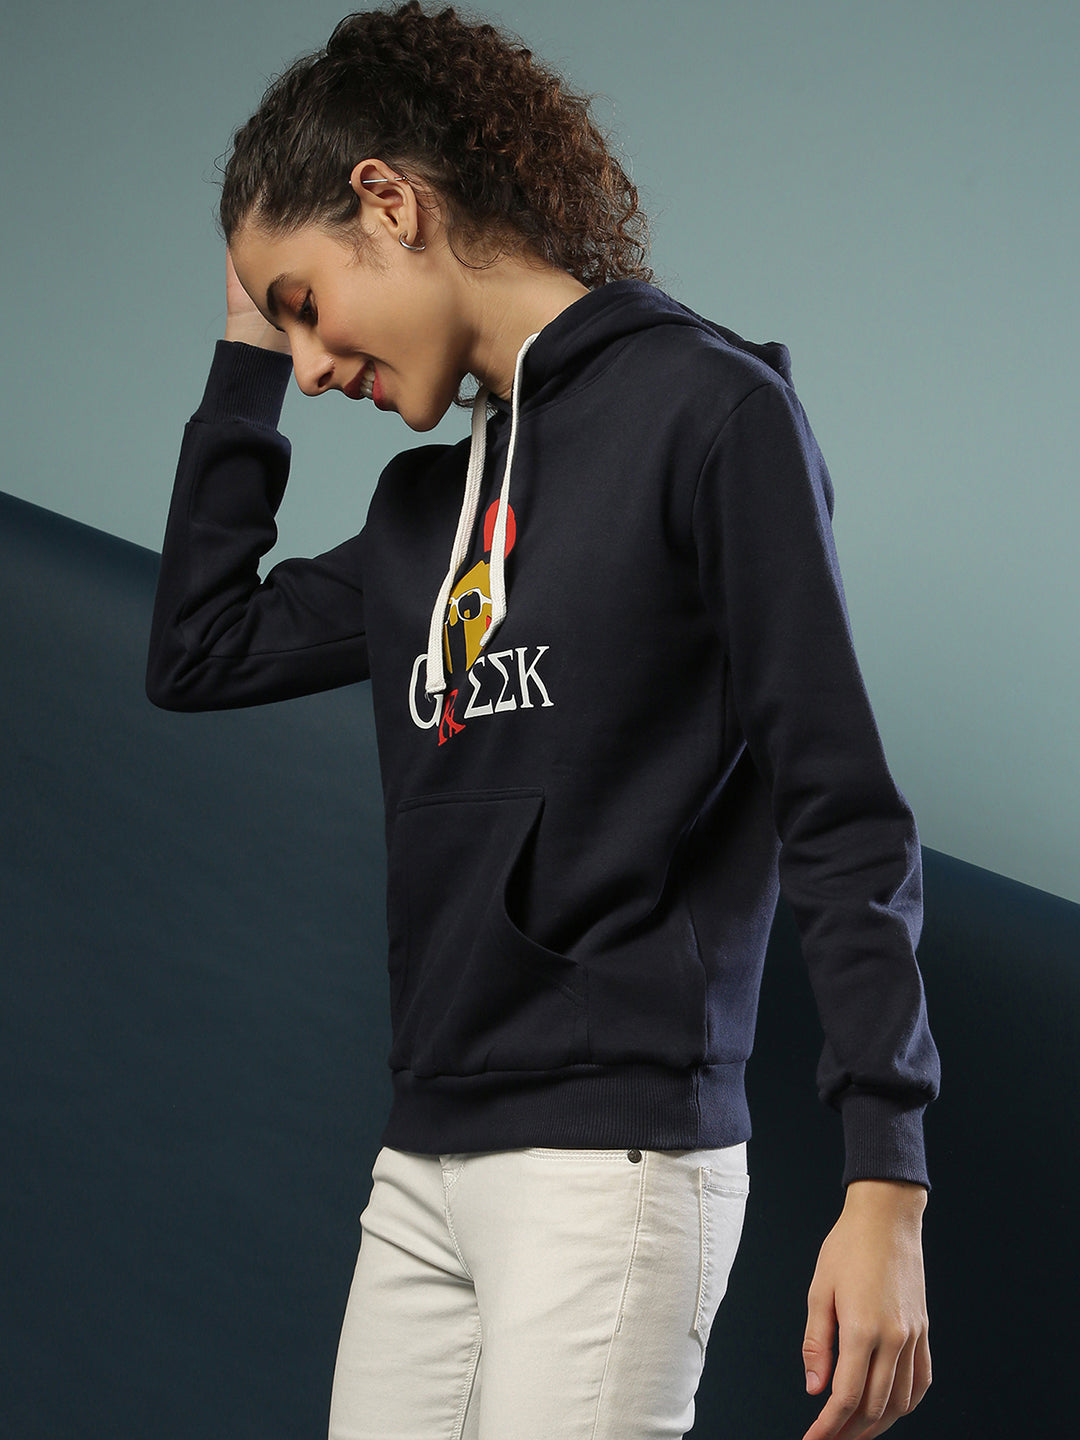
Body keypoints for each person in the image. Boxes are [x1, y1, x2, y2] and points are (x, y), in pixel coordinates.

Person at [146, 4, 941, 1437]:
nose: (308, 366)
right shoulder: (420, 511)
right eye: (280, 328)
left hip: (613, 1165)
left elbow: (841, 804)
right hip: (424, 1158)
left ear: (390, 202)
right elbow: (198, 651)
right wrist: (244, 346)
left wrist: (886, 1179)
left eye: (304, 304)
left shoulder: (710, 415)